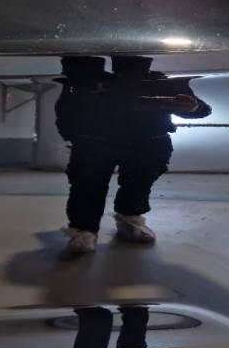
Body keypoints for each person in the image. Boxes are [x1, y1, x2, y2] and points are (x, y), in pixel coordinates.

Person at [55, 55, 210, 253]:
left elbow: (202, 109)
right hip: (98, 141)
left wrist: (193, 106)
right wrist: (75, 135)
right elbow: (66, 107)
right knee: (87, 183)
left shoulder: (160, 82)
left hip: (144, 141)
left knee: (138, 181)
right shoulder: (87, 79)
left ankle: (128, 218)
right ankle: (85, 229)